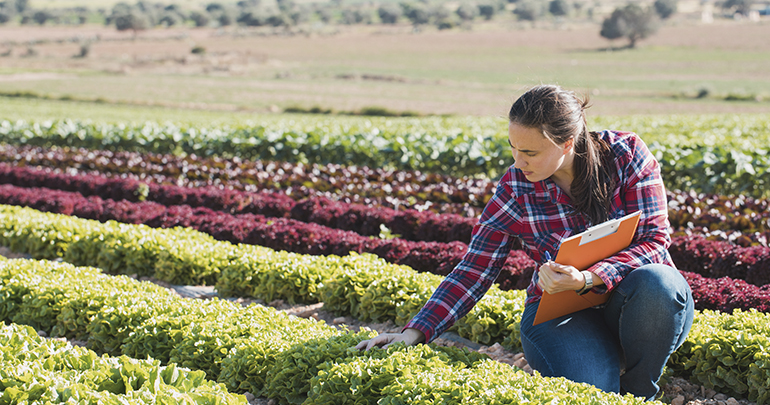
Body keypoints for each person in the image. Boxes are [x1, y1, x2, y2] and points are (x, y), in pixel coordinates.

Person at [355, 84, 694, 401]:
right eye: (513, 149)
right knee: (594, 395)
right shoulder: (516, 189)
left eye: (530, 151)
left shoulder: (626, 155)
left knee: (660, 282)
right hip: (562, 314)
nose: (518, 162)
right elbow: (474, 270)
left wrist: (589, 277)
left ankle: (639, 390)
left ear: (567, 142)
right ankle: (599, 363)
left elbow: (654, 241)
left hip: (639, 303)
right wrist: (414, 332)